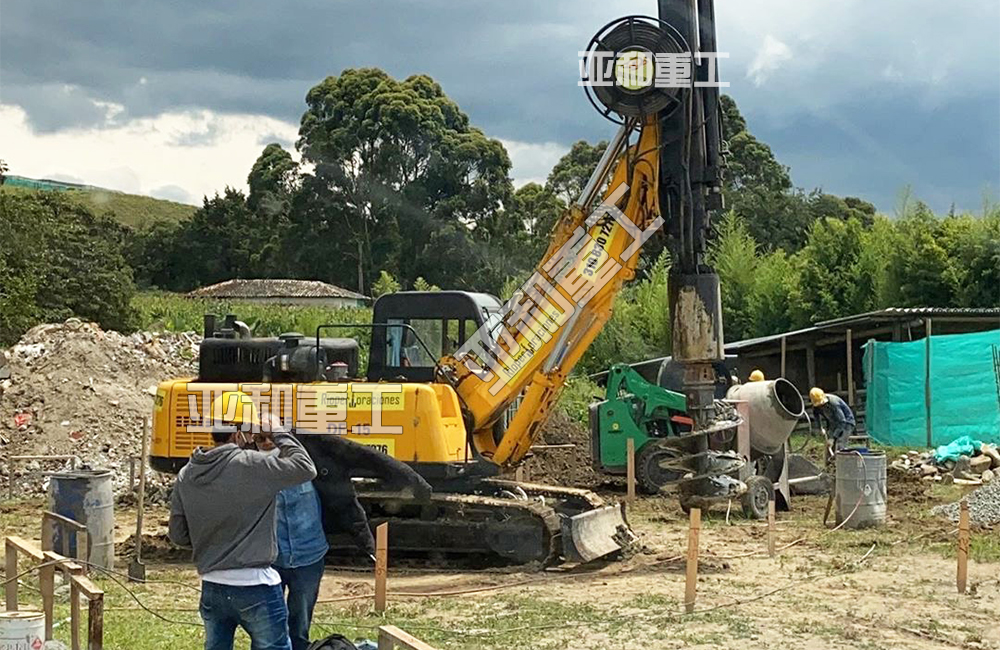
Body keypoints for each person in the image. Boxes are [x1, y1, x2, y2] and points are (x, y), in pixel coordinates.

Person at [257, 432, 432, 650]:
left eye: (270, 437)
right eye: (259, 438)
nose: (265, 443)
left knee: (299, 626)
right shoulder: (249, 463)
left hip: (308, 557)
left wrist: (414, 482)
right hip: (270, 559)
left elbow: (368, 457)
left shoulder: (315, 451)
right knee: (269, 631)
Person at [169, 392, 316, 650]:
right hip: (256, 585)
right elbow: (306, 468)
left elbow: (179, 535)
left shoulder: (186, 474)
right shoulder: (252, 465)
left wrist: (213, 537)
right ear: (239, 434)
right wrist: (279, 432)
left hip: (212, 586)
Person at [810, 387, 855, 457]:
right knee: (829, 445)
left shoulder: (834, 403)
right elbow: (816, 414)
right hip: (832, 423)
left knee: (840, 444)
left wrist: (833, 437)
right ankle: (830, 465)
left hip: (846, 423)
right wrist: (820, 428)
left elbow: (842, 421)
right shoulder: (817, 406)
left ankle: (842, 464)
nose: (820, 406)